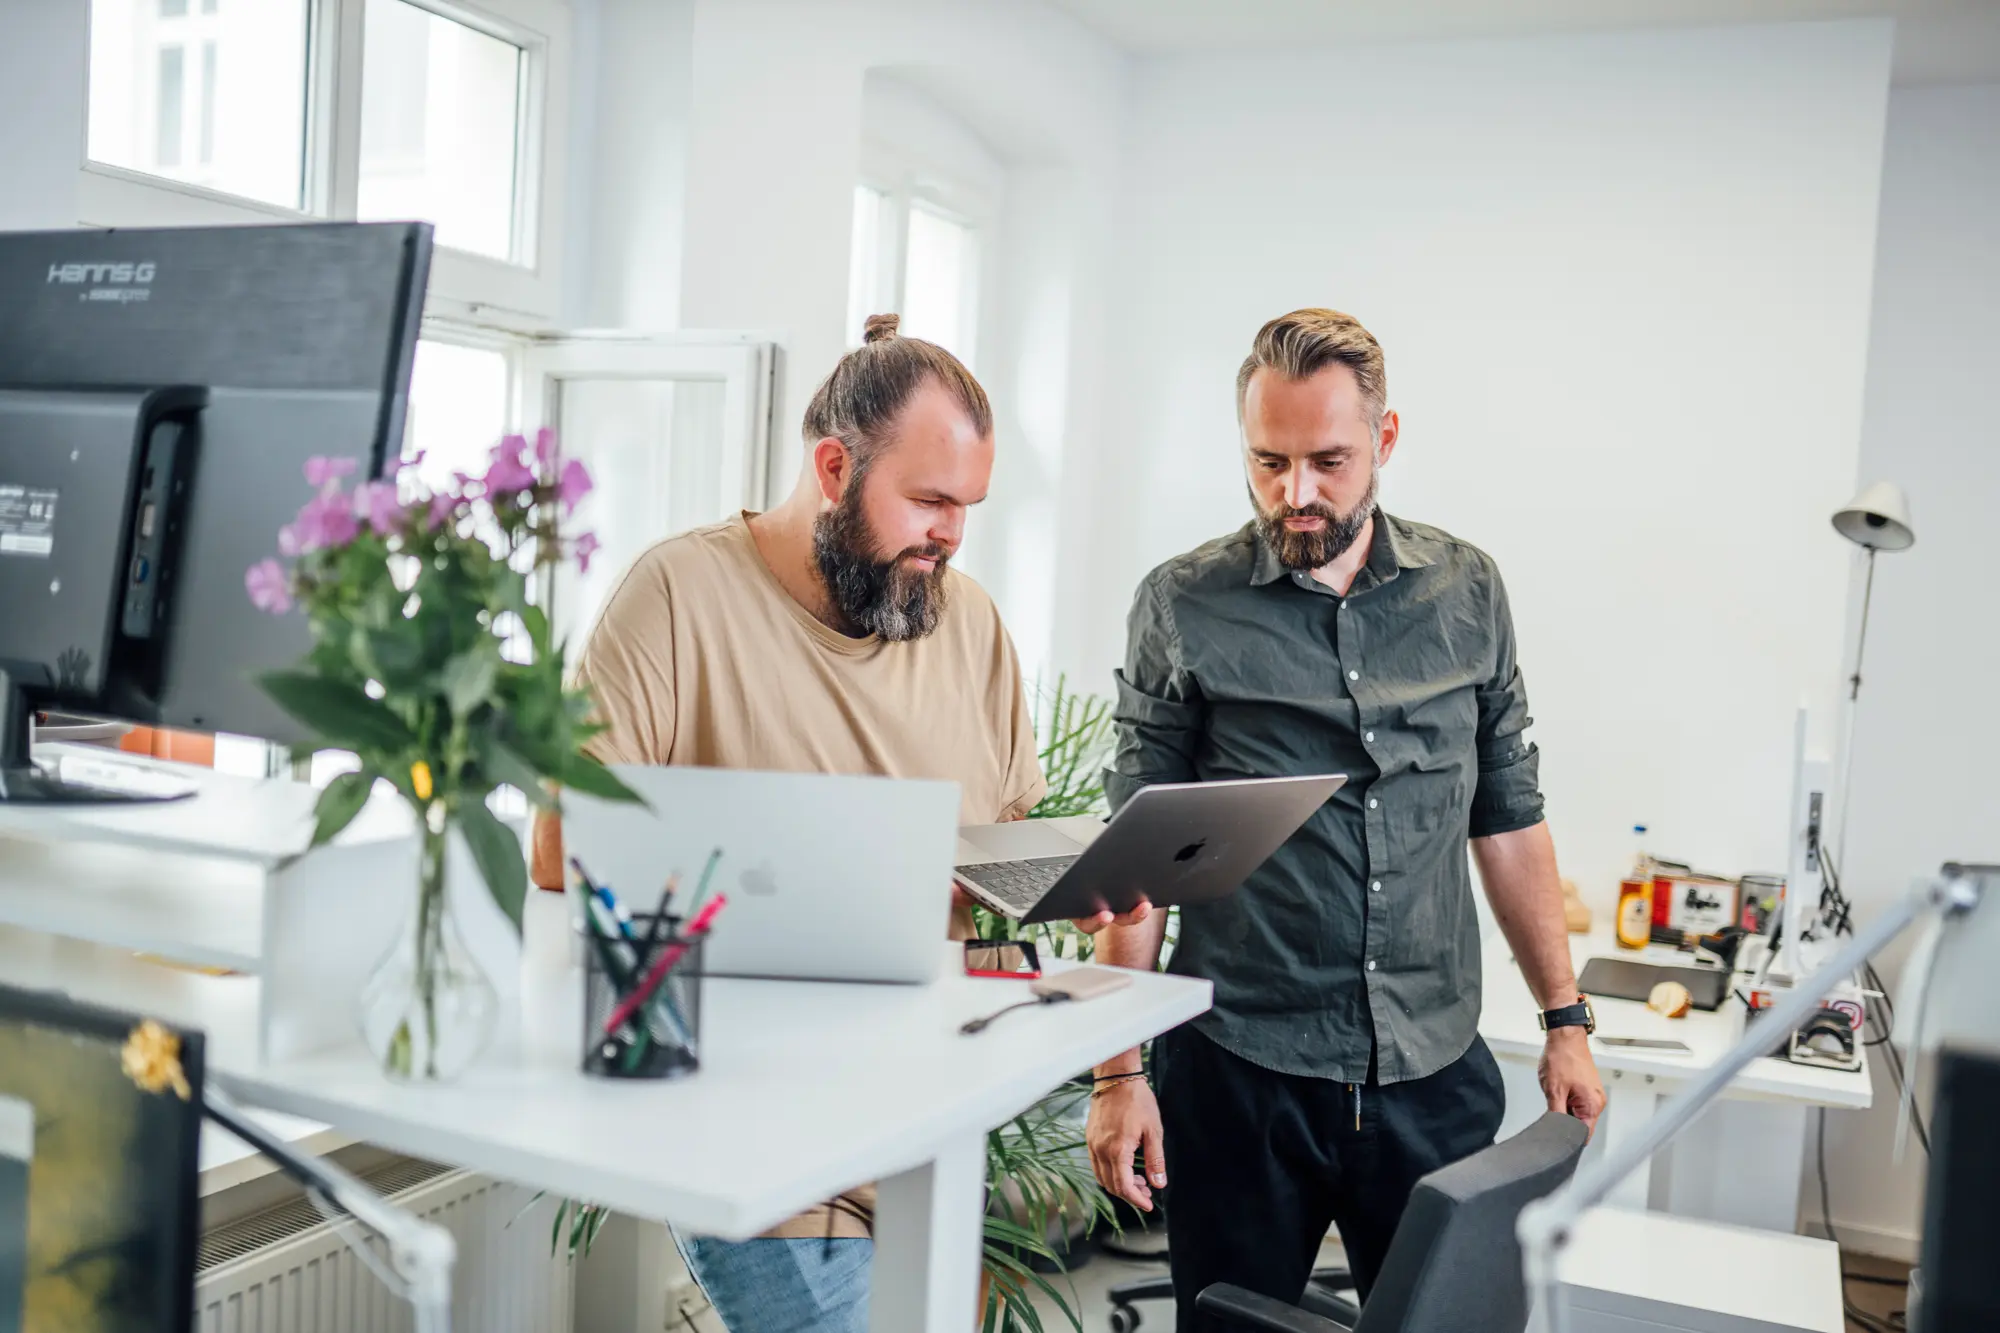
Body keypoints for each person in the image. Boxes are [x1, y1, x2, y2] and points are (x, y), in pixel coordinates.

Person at [531, 314, 1144, 1333]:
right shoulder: (678, 593)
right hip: (747, 1132)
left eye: (968, 508)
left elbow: (1002, 850)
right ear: (831, 467)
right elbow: (562, 852)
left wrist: (1074, 894)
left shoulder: (969, 621)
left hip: (929, 1122)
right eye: (928, 500)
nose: (949, 534)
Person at [1085, 308, 1606, 1330]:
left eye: (1326, 459)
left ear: (1385, 438)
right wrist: (1113, 1075)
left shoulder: (1467, 593)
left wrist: (1563, 1019)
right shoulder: (1181, 605)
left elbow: (1507, 816)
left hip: (1432, 1071)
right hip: (1240, 1068)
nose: (1295, 492)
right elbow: (1137, 851)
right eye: (1266, 460)